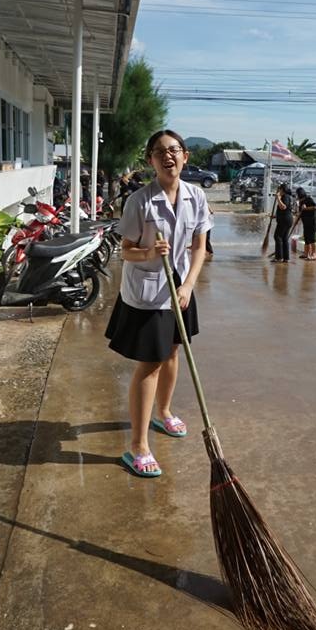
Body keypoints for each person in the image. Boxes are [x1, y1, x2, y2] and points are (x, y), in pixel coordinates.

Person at [105, 130, 211, 478]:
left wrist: (189, 285)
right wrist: (150, 252)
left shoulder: (196, 196)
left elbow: (199, 247)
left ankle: (163, 412)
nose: (168, 156)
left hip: (180, 288)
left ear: (185, 156)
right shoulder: (140, 201)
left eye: (174, 150)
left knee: (173, 352)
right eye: (160, 151)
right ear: (150, 160)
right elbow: (126, 251)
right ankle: (138, 446)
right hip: (148, 293)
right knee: (151, 362)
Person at [273, 182, 293, 263]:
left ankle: (279, 257)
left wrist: (278, 198)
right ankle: (285, 258)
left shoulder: (285, 197)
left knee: (277, 237)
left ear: (282, 190)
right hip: (286, 219)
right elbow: (285, 209)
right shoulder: (287, 197)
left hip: (284, 220)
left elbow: (283, 207)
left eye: (279, 190)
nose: (278, 191)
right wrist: (275, 216)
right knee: (284, 238)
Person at [296, 188, 316, 260]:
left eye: (297, 194)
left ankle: (314, 254)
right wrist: (297, 220)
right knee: (306, 237)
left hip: (312, 221)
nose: (297, 196)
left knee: (312, 238)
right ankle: (306, 254)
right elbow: (301, 212)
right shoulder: (301, 202)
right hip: (305, 222)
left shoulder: (308, 199)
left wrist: (306, 208)